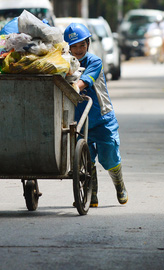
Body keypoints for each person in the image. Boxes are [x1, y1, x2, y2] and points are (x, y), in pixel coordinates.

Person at [64, 22, 128, 207]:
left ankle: (119, 185)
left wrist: (73, 87)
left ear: (88, 44)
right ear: (67, 47)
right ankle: (92, 195)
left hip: (102, 118)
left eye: (82, 45)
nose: (78, 50)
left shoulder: (94, 62)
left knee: (110, 158)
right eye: (73, 46)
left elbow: (84, 81)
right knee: (86, 159)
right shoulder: (63, 63)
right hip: (79, 119)